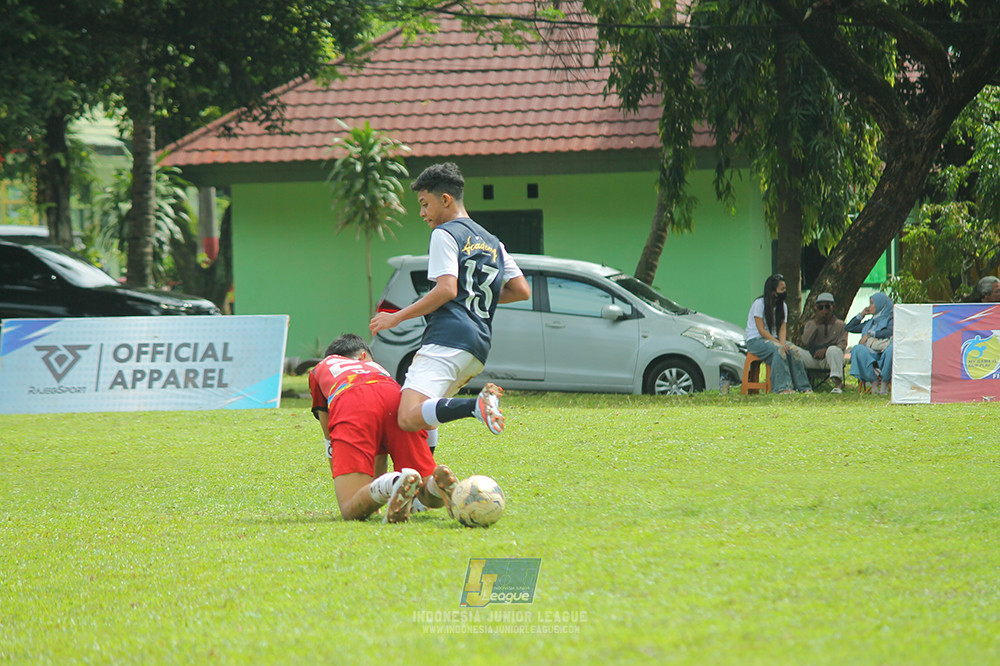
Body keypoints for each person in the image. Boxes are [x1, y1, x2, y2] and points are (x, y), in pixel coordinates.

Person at [369, 162, 531, 450]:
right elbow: (521, 291)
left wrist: (396, 318)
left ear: (445, 200)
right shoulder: (493, 242)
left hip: (447, 338)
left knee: (406, 416)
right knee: (428, 411)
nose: (422, 213)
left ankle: (474, 406)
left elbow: (446, 289)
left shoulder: (445, 233)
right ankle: (428, 476)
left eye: (424, 204)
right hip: (477, 346)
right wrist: (471, 293)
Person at [308, 333, 459, 523]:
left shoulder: (320, 368)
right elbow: (379, 451)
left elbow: (329, 436)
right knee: (427, 493)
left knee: (349, 508)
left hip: (352, 399)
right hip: (396, 398)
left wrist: (342, 475)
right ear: (363, 356)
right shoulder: (376, 367)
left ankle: (392, 484)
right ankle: (435, 486)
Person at [744, 273, 812, 394]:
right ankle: (783, 387)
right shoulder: (759, 304)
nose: (784, 291)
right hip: (755, 341)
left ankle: (803, 387)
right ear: (772, 291)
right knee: (779, 349)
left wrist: (782, 342)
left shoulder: (783, 306)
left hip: (773, 339)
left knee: (793, 350)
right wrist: (779, 344)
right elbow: (761, 330)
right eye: (782, 289)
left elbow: (782, 328)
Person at [796, 292, 848, 394]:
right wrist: (816, 323)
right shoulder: (810, 324)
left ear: (833, 307)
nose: (824, 310)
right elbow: (805, 342)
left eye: (827, 307)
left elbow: (842, 344)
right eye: (821, 307)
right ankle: (798, 384)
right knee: (793, 350)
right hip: (813, 357)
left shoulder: (840, 325)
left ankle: (838, 385)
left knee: (834, 350)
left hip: (830, 359)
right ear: (816, 308)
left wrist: (825, 350)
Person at [846, 292, 894, 395]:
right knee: (857, 349)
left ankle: (885, 383)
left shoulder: (891, 319)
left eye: (872, 303)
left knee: (892, 350)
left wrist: (870, 334)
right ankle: (873, 381)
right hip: (871, 354)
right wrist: (862, 314)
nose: (869, 306)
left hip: (885, 352)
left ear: (881, 304)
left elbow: (890, 331)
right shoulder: (870, 322)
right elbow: (850, 328)